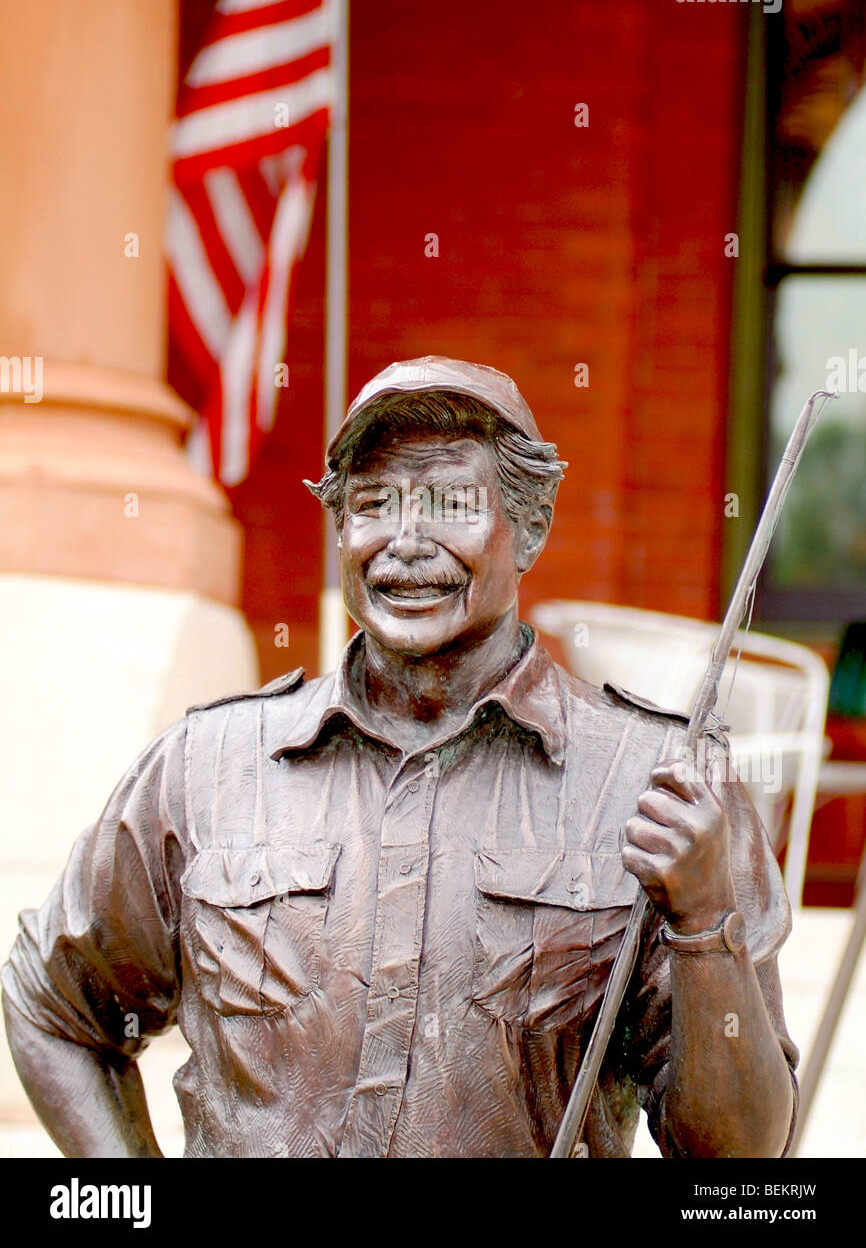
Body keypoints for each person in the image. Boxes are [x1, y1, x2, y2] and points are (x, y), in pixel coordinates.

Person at [2, 356, 797, 1158]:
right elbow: (52, 1006)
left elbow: (740, 1155)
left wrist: (704, 925)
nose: (406, 544)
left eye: (451, 504)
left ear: (529, 527)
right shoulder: (208, 767)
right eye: (374, 505)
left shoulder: (659, 782)